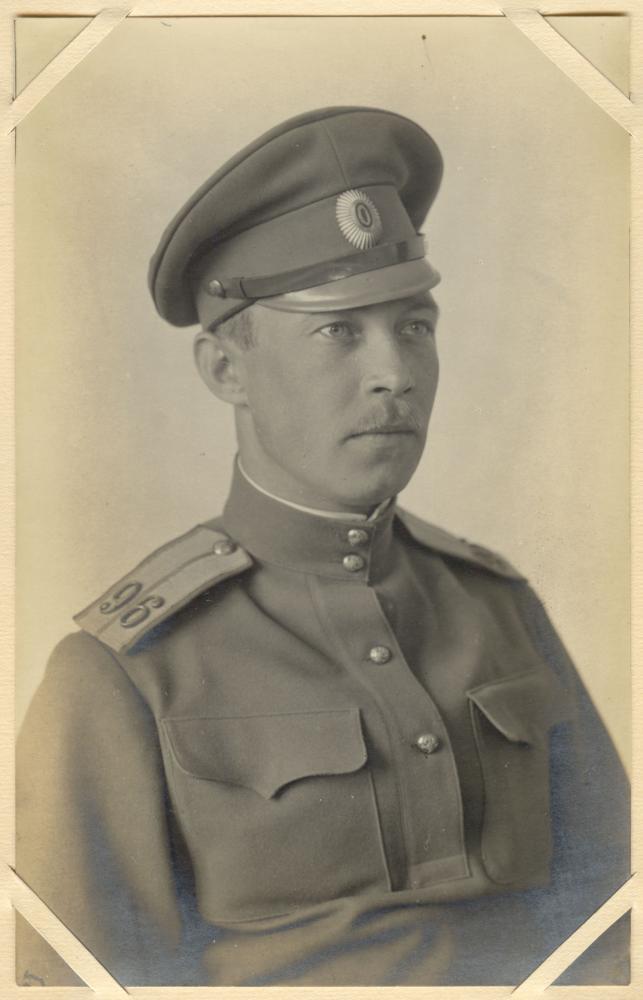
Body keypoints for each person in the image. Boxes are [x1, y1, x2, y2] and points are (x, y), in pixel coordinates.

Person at [16, 106, 629, 987]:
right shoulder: (126, 670)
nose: (395, 372)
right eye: (338, 331)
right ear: (227, 370)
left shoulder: (497, 605)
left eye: (413, 326)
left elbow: (612, 925)